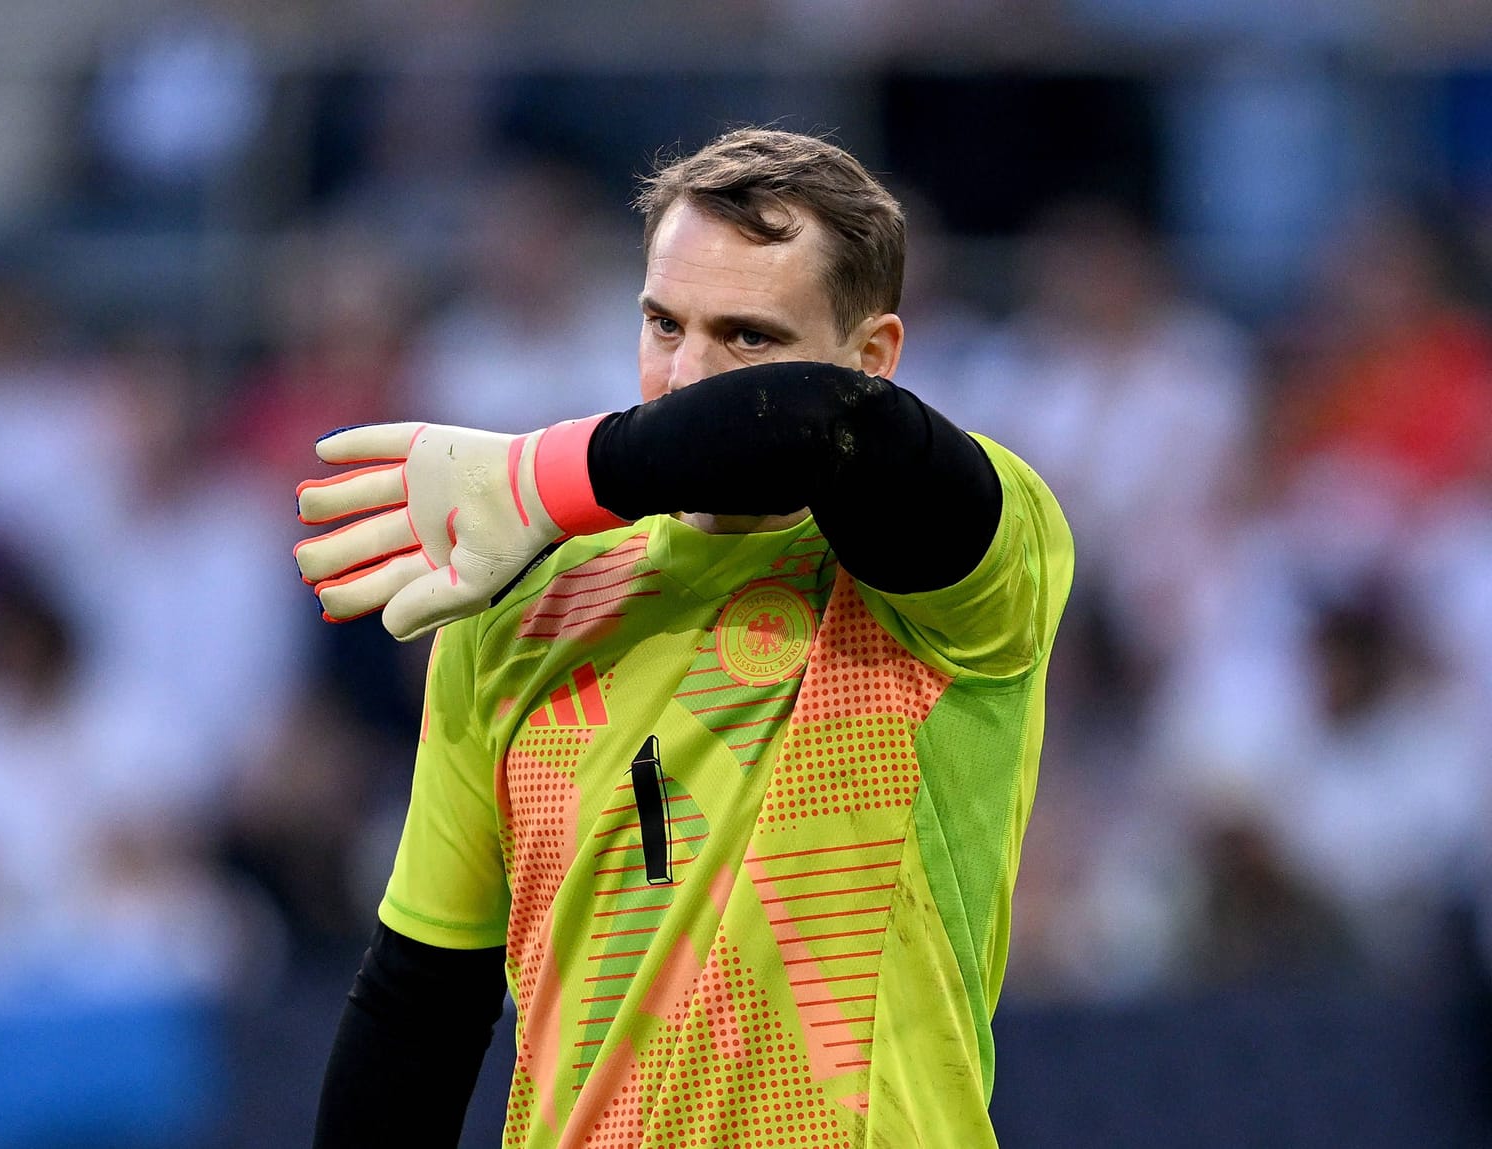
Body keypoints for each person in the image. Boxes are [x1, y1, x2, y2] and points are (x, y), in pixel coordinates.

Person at [299, 128, 1074, 1148]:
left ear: (872, 354)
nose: (688, 373)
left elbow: (822, 426)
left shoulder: (955, 572)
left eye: (747, 336)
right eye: (663, 324)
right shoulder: (518, 600)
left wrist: (554, 474)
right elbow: (420, 1007)